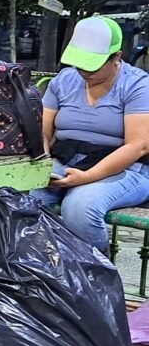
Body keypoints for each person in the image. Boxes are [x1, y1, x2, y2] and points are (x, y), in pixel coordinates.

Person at [33, 16, 149, 250]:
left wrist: (87, 177)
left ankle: (94, 269)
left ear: (117, 57)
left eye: (93, 65)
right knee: (21, 198)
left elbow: (138, 145)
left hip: (126, 167)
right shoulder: (64, 81)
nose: (85, 71)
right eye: (80, 65)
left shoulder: (138, 85)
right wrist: (43, 163)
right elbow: (42, 131)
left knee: (80, 207)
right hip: (67, 159)